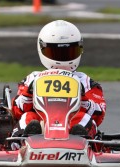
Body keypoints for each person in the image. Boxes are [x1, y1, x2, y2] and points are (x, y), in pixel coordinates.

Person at [10, 20, 106, 148]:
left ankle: (79, 140)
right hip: (43, 125)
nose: (63, 58)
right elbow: (17, 111)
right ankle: (27, 140)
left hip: (71, 125)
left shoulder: (85, 82)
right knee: (29, 116)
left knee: (83, 118)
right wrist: (28, 95)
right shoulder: (33, 78)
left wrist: (84, 102)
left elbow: (99, 113)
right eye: (56, 52)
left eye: (69, 52)